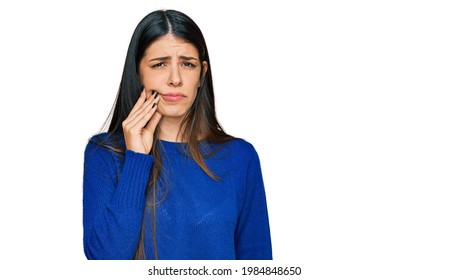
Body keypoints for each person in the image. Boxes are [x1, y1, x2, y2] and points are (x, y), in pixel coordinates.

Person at [83, 9, 272, 260]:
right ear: (138, 72)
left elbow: (257, 264)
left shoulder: (240, 157)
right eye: (160, 64)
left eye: (187, 64)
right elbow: (105, 260)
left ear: (202, 74)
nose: (175, 78)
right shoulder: (105, 153)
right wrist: (136, 160)